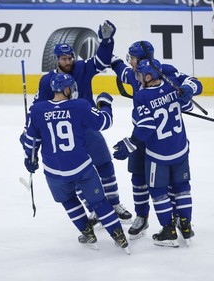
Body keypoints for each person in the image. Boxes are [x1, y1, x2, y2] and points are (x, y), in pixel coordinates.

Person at [21, 20, 132, 223]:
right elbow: (37, 109)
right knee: (79, 171)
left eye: (70, 57)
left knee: (104, 163)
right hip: (67, 132)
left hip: (88, 126)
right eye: (63, 58)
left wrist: (106, 41)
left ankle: (114, 203)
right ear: (57, 60)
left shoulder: (82, 68)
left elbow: (101, 60)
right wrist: (28, 132)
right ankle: (94, 208)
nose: (68, 61)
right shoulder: (47, 81)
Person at [22, 73, 130, 254]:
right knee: (99, 202)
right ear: (65, 89)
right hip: (81, 167)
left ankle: (88, 233)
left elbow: (30, 140)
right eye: (71, 88)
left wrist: (30, 158)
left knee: (68, 200)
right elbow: (105, 122)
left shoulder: (38, 110)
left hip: (54, 171)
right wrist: (105, 104)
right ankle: (118, 235)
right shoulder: (79, 106)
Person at [111, 41, 202, 240]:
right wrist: (111, 57)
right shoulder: (138, 73)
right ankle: (142, 216)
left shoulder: (166, 72)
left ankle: (175, 219)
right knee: (138, 177)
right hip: (143, 135)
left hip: (153, 136)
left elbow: (193, 83)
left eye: (132, 59)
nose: (131, 64)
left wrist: (187, 89)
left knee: (166, 182)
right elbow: (122, 71)